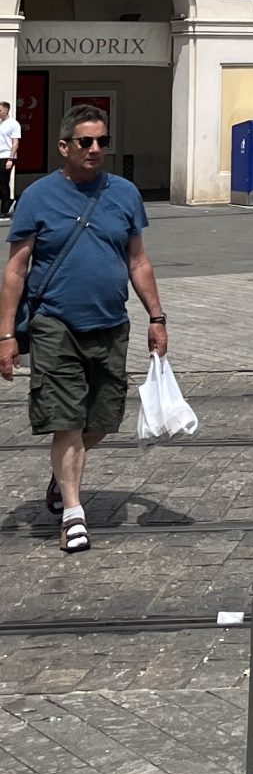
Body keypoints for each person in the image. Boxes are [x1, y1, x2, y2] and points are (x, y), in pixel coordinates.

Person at [0, 104, 168, 554]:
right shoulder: (38, 197)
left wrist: (157, 317)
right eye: (85, 141)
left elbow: (138, 261)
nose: (95, 149)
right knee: (67, 420)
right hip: (55, 324)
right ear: (64, 147)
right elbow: (15, 270)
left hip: (111, 324)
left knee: (103, 419)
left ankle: (61, 477)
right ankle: (73, 513)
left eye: (102, 141)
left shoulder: (124, 194)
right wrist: (6, 335)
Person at [0, 99, 21, 218]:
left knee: (3, 182)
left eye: (0, 110)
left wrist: (10, 159)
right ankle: (7, 202)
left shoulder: (13, 124)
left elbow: (15, 143)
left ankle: (5, 209)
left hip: (7, 156)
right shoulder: (0, 123)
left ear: (6, 110)